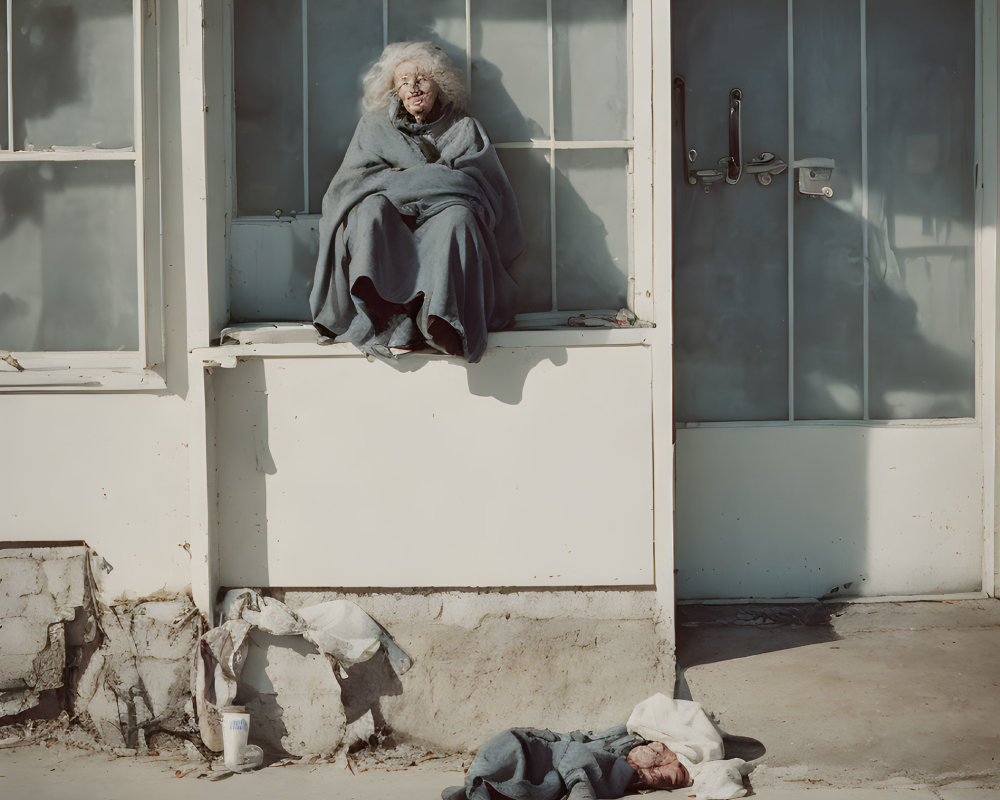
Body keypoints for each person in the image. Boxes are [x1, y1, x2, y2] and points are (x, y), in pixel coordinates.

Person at [309, 42, 523, 363]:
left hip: (443, 230)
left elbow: (476, 190)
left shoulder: (465, 129)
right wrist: (437, 179)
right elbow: (351, 189)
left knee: (458, 216)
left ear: (441, 83)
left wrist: (398, 179)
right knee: (369, 210)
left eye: (422, 78)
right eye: (404, 82)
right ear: (394, 89)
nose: (413, 88)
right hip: (391, 237)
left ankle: (440, 321)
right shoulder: (373, 128)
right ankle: (388, 319)